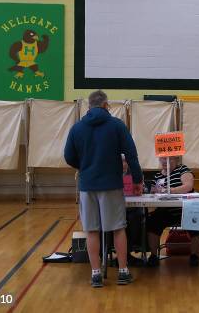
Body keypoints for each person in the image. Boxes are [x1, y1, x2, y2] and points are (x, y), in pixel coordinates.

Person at [64, 90, 143, 288]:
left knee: (91, 230)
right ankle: (123, 272)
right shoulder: (117, 125)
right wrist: (137, 179)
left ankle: (96, 274)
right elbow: (131, 155)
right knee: (118, 228)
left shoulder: (77, 128)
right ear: (106, 105)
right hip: (111, 185)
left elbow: (68, 156)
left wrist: (83, 166)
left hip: (87, 185)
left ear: (88, 106)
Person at [144, 156, 199, 267]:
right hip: (165, 210)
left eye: (170, 159)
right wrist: (152, 192)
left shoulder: (183, 169)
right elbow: (152, 193)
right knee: (152, 221)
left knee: (196, 220)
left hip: (184, 208)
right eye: (162, 159)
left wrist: (170, 191)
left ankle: (194, 255)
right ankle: (153, 255)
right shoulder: (157, 176)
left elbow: (188, 186)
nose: (165, 161)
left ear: (177, 160)